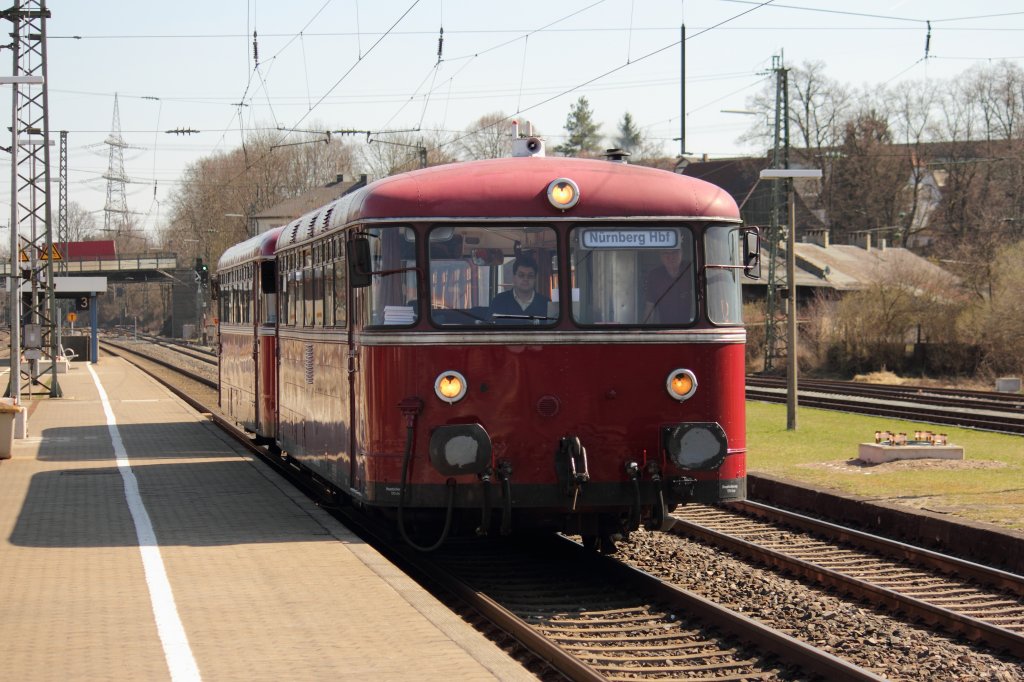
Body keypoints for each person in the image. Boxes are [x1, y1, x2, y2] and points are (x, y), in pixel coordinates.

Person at [642, 248, 694, 324]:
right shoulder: (655, 276)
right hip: (666, 329)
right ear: (660, 256)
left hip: (691, 328)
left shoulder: (691, 270)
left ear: (681, 253)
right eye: (665, 253)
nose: (670, 257)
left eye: (674, 252)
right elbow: (650, 308)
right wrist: (644, 331)